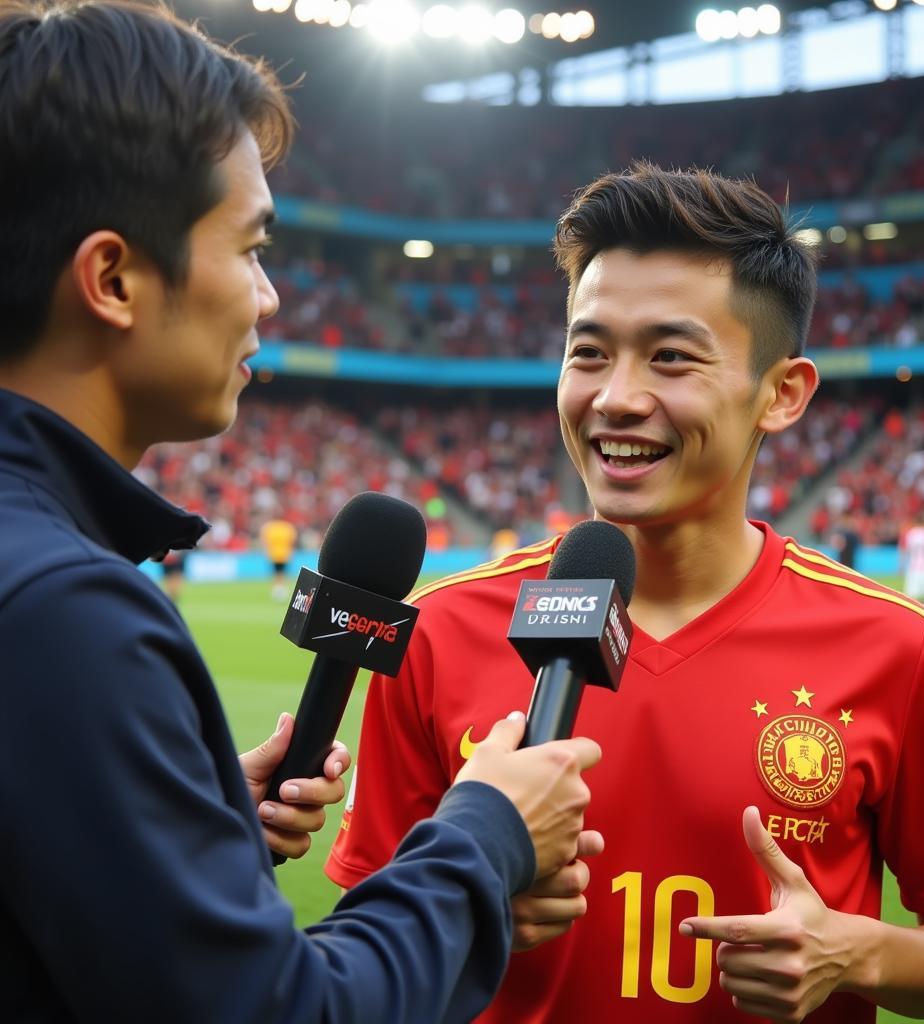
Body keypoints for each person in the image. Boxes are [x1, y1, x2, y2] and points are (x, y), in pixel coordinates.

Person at [0, 4, 601, 1020]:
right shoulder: (63, 610)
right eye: (249, 249)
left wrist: (186, 823)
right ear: (111, 278)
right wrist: (487, 832)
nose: (270, 298)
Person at [329, 163, 924, 1023]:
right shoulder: (440, 630)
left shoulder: (894, 645)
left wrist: (856, 952)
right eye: (588, 353)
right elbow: (367, 934)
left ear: (781, 394)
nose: (616, 399)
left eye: (671, 357)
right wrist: (469, 909)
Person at [260, 514, 298, 599]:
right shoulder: (287, 527)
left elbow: (265, 541)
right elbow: (293, 540)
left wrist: (266, 551)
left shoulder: (270, 527)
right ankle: (281, 589)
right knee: (282, 573)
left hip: (274, 554)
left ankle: (278, 590)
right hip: (284, 554)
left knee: (276, 573)